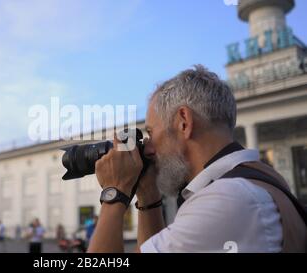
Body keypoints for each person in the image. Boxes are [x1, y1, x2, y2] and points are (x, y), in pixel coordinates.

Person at [88, 65, 306, 253]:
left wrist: (115, 191)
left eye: (152, 133)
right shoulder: (259, 180)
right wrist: (148, 196)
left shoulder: (228, 198)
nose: (149, 149)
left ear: (184, 122)